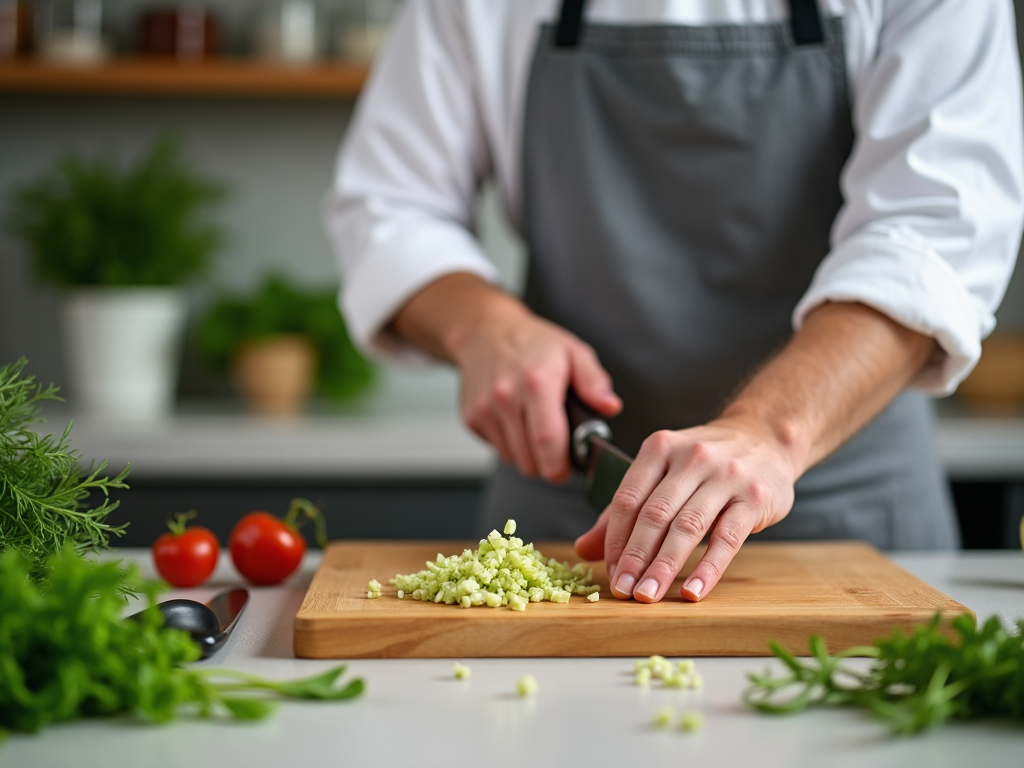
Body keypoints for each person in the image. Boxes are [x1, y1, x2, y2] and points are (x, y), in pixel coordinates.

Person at [324, 0, 1024, 604]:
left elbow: (935, 228)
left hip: (848, 512)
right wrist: (482, 326)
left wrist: (771, 432)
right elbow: (390, 205)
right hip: (568, 508)